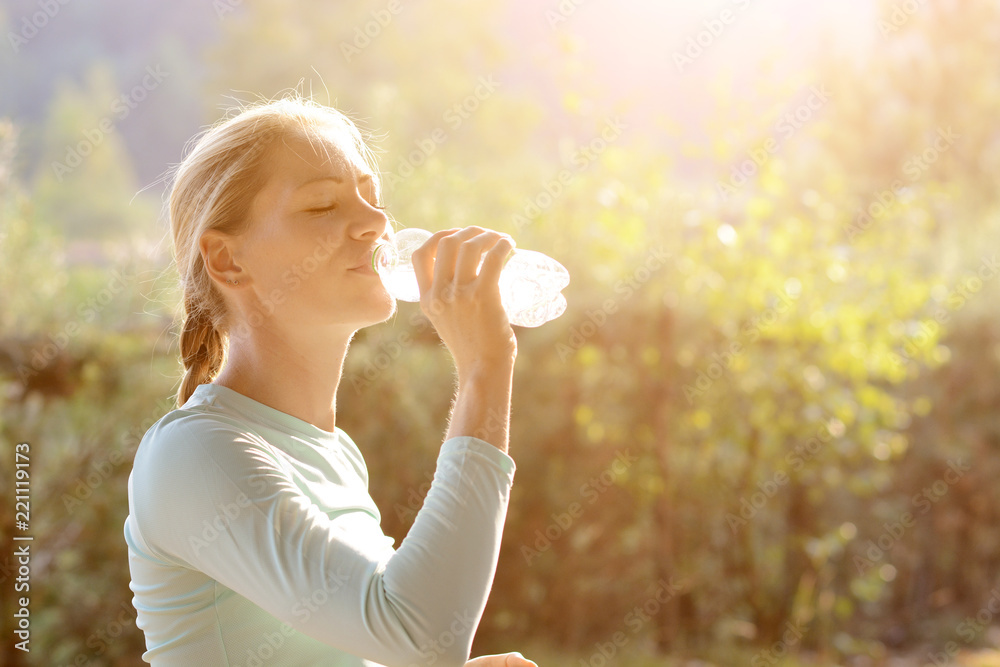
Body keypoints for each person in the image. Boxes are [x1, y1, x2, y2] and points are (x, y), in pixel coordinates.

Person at [123, 96, 536, 667]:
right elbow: (419, 637)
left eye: (371, 196)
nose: (376, 222)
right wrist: (487, 366)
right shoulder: (195, 452)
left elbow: (385, 645)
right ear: (228, 262)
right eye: (322, 206)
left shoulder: (336, 455)